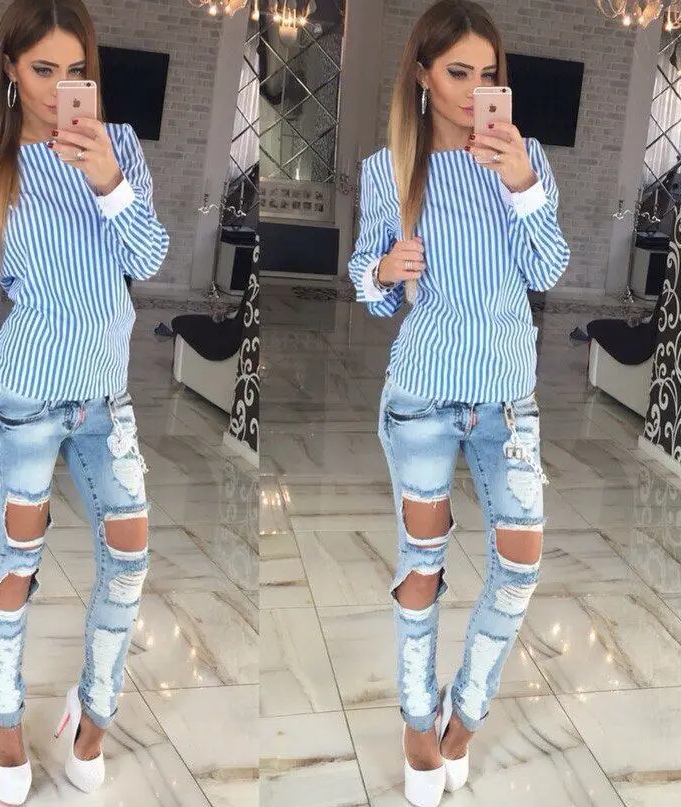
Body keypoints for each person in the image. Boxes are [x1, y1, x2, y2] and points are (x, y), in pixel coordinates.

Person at [348, 1, 569, 805]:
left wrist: (520, 187)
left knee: (520, 564)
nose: (475, 90)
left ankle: (462, 717)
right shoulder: (388, 169)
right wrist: (382, 270)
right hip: (421, 397)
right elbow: (367, 284)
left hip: (507, 399)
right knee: (421, 565)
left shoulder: (524, 159)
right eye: (456, 72)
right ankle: (416, 719)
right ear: (421, 74)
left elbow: (546, 269)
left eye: (487, 74)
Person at [0, 1, 169, 803]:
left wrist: (107, 179)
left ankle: (93, 713)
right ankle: (4, 720)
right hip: (23, 398)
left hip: (106, 397)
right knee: (17, 564)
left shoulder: (120, 150)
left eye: (76, 71)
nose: (58, 87)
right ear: (10, 68)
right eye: (43, 69)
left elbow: (148, 254)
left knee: (130, 560)